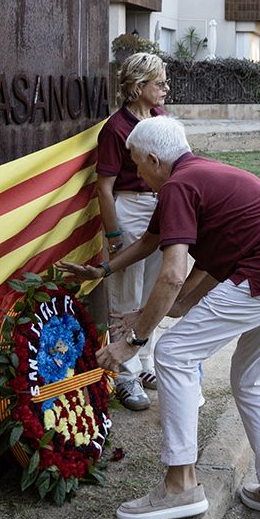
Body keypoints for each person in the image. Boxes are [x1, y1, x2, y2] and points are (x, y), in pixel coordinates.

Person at [61, 117, 260, 519]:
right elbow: (153, 246)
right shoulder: (198, 175)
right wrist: (104, 272)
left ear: (154, 159)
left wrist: (132, 341)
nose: (137, 175)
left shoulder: (178, 186)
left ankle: (180, 486)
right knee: (251, 377)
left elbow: (172, 275)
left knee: (172, 353)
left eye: (136, 165)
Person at [96, 53, 170, 411]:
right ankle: (124, 374)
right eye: (159, 83)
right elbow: (104, 187)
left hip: (159, 205)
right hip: (129, 207)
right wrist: (113, 236)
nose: (165, 89)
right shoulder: (115, 127)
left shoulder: (161, 119)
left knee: (154, 287)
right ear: (139, 87)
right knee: (126, 290)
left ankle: (146, 364)